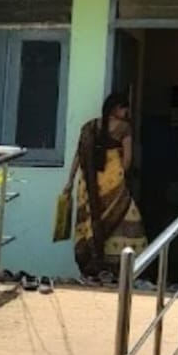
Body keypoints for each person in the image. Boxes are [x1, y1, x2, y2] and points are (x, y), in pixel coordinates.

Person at [66, 92, 146, 281]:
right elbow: (127, 161)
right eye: (125, 108)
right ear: (116, 108)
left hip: (88, 185)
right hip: (114, 184)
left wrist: (69, 181)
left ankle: (92, 267)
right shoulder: (124, 128)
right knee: (125, 220)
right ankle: (120, 269)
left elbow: (78, 156)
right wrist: (122, 177)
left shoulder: (89, 127)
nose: (127, 113)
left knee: (90, 224)